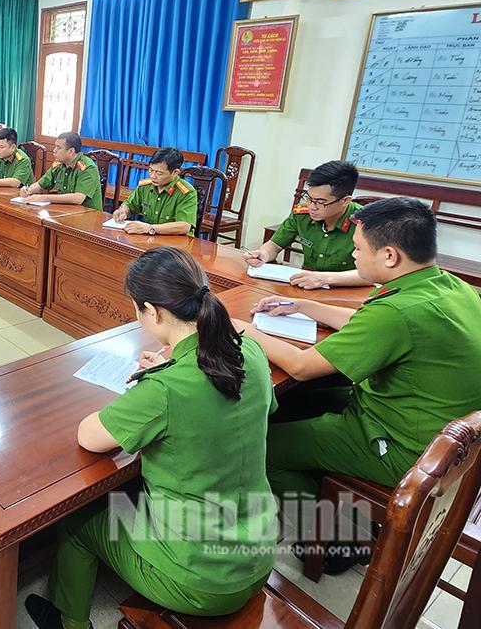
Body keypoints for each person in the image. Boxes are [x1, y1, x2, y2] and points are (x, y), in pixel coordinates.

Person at [26, 247, 276, 629]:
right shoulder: (251, 352)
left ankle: (68, 621)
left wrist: (154, 383)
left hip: (202, 579)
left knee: (80, 522)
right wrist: (171, 369)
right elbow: (257, 406)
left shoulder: (165, 389)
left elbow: (90, 437)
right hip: (258, 554)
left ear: (153, 311)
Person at [238, 198, 481, 570]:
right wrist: (303, 306)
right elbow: (366, 323)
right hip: (431, 426)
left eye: (357, 248)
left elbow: (301, 366)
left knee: (262, 448)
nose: (353, 257)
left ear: (389, 255)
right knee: (297, 402)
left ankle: (337, 539)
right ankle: (327, 489)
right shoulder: (448, 285)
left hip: (405, 446)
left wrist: (242, 330)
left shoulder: (398, 311)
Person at [243, 161, 371, 289]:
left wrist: (325, 279)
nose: (312, 207)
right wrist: (263, 254)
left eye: (320, 202)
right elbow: (275, 245)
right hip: (307, 286)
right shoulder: (302, 214)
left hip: (348, 291)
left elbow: (373, 275)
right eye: (309, 198)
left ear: (345, 201)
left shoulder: (366, 224)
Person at [111, 147, 197, 237]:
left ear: (175, 172)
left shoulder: (186, 192)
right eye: (150, 170)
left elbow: (184, 226)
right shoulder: (146, 186)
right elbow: (130, 205)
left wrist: (149, 228)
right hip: (150, 239)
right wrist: (123, 211)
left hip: (175, 245)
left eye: (159, 173)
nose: (152, 176)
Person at [19, 132, 102, 210]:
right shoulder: (58, 165)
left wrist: (43, 198)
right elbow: (41, 184)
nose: (54, 150)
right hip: (64, 211)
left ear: (71, 151)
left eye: (58, 147)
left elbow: (78, 198)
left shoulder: (87, 167)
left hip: (87, 215)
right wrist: (29, 190)